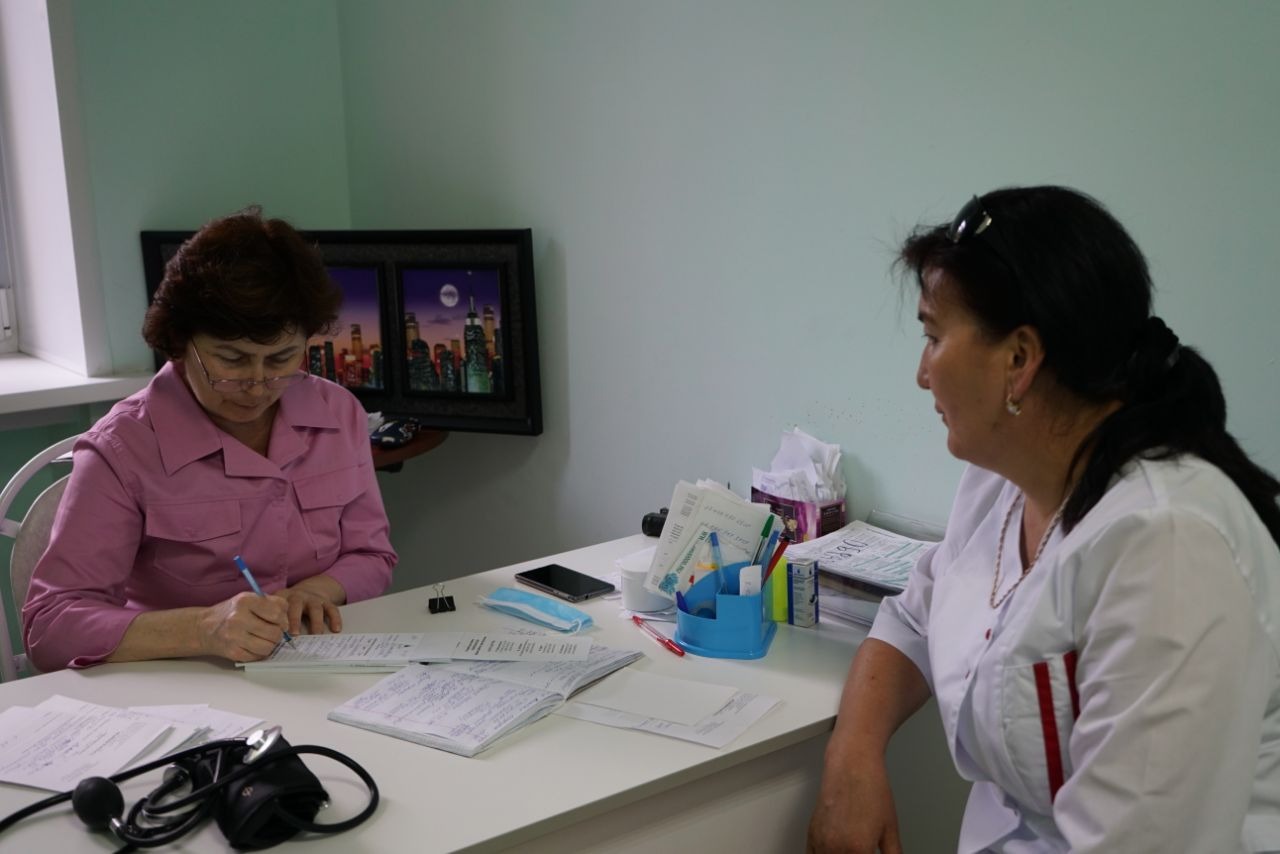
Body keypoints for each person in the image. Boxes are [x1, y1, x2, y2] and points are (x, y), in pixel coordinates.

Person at [807, 186, 1280, 853]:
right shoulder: (1004, 478)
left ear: (1020, 360)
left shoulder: (1167, 546)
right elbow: (918, 616)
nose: (922, 374)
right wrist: (852, 755)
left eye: (934, 337)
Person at [22, 209, 397, 671]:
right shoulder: (122, 448)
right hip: (177, 685)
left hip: (312, 669)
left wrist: (318, 591)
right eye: (232, 360)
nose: (258, 384)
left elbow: (371, 555)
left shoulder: (339, 414)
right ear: (180, 342)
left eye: (281, 358)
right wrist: (202, 628)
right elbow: (50, 627)